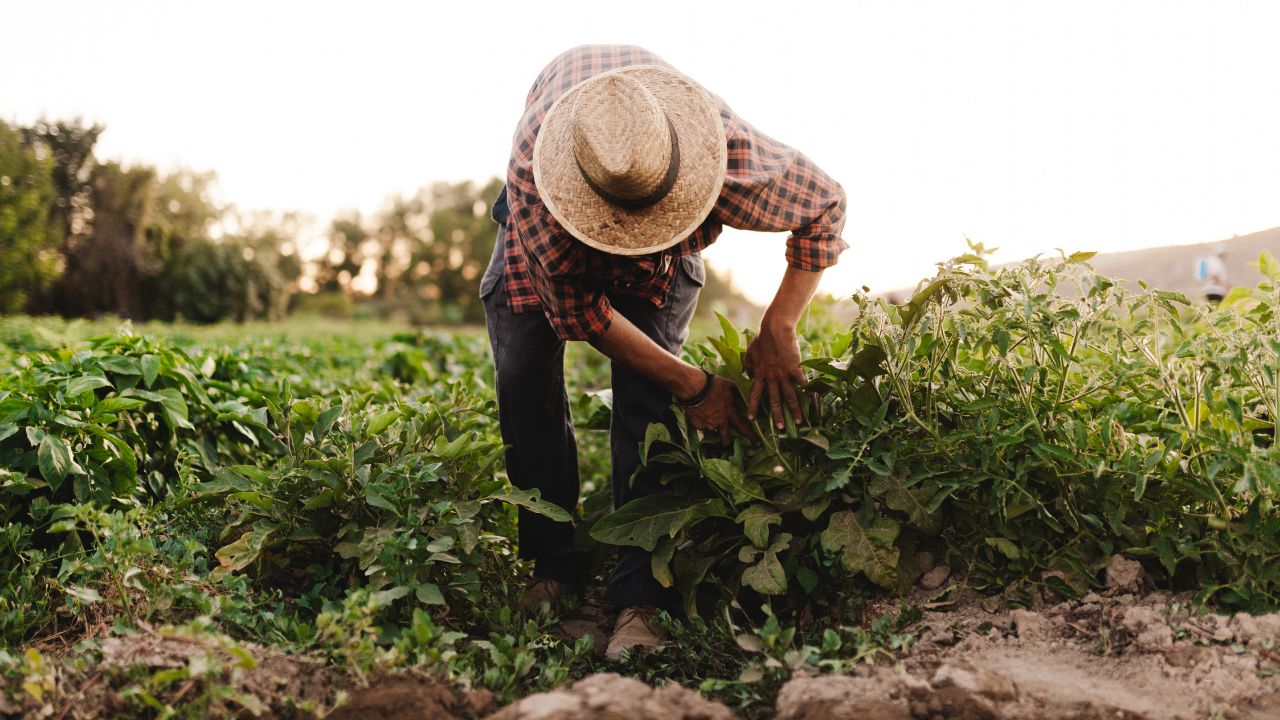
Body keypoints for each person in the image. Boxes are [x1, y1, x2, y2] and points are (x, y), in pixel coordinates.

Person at [480, 45, 847, 659]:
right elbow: (584, 316)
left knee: (649, 404)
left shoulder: (723, 151)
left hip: (666, 236)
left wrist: (780, 325)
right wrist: (696, 386)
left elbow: (825, 206)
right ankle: (553, 561)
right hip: (547, 228)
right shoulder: (538, 187)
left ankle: (641, 593)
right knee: (523, 380)